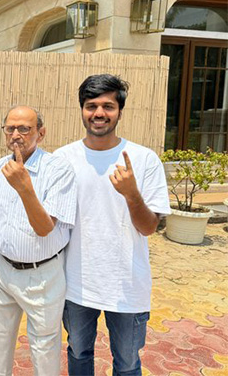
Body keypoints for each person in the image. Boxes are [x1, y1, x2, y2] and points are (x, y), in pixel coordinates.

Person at [54, 74, 171, 376]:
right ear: (81, 109)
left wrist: (132, 194)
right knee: (79, 353)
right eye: (91, 105)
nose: (99, 113)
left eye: (108, 105)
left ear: (120, 110)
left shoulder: (144, 160)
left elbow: (148, 228)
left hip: (127, 284)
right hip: (77, 283)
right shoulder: (62, 159)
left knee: (128, 363)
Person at [0, 106, 77, 376]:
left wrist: (24, 187)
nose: (16, 135)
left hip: (41, 275)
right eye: (10, 128)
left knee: (44, 347)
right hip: (1, 269)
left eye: (24, 129)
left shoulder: (58, 170)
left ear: (40, 133)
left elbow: (45, 228)